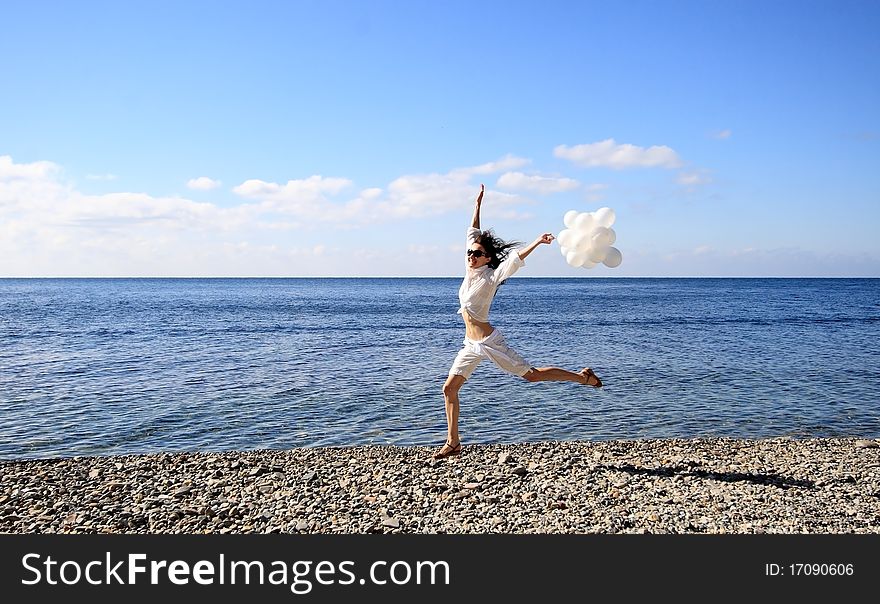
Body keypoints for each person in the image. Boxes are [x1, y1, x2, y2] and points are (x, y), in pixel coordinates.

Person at [433, 184, 603, 460]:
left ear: (487, 259)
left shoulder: (491, 276)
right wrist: (477, 204)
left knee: (532, 376)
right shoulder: (470, 270)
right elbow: (473, 233)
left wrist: (536, 242)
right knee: (449, 388)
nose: (471, 256)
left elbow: (514, 259)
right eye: (470, 254)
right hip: (470, 345)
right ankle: (453, 443)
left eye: (476, 254)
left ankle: (582, 378)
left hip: (490, 342)